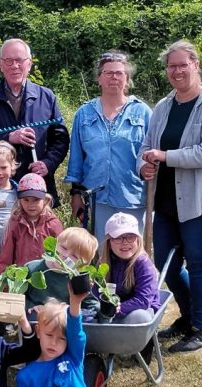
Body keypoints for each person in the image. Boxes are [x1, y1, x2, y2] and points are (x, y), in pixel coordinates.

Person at [138, 40, 202, 353]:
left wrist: (164, 156)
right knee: (164, 260)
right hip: (167, 198)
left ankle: (201, 328)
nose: (176, 71)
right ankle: (188, 316)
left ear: (196, 65)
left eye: (182, 64)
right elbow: (147, 146)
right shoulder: (164, 106)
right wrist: (144, 166)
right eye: (171, 66)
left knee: (198, 261)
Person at [0, 38, 69, 206]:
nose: (14, 66)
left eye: (19, 60)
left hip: (39, 188)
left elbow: (61, 139)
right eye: (8, 61)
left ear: (29, 64)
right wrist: (7, 139)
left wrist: (48, 163)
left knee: (43, 232)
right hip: (2, 189)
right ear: (0, 64)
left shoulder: (46, 97)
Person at [65, 51, 152, 243]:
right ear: (99, 78)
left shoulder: (143, 112)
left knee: (132, 253)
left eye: (119, 73)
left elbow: (152, 155)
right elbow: (77, 158)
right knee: (102, 254)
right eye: (108, 72)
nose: (114, 77)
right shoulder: (84, 114)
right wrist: (76, 194)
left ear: (127, 79)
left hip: (133, 198)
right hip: (97, 199)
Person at [24, 226, 100, 320]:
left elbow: (92, 306)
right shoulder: (32, 268)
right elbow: (19, 297)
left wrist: (66, 311)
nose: (66, 255)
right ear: (55, 244)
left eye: (74, 256)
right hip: (33, 323)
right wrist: (30, 307)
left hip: (63, 326)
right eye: (64, 248)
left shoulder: (78, 279)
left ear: (80, 265)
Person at [98, 213, 160, 324]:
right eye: (118, 238)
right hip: (113, 310)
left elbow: (143, 300)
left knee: (140, 316)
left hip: (140, 309)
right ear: (109, 242)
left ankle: (122, 337)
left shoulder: (143, 263)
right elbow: (98, 291)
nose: (125, 242)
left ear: (137, 240)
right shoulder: (104, 263)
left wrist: (118, 308)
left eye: (130, 237)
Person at [0, 173, 64, 270]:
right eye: (26, 200)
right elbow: (6, 257)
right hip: (22, 277)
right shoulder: (15, 223)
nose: (31, 204)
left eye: (36, 200)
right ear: (20, 201)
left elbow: (63, 254)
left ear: (45, 200)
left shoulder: (53, 224)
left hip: (48, 276)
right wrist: (3, 279)